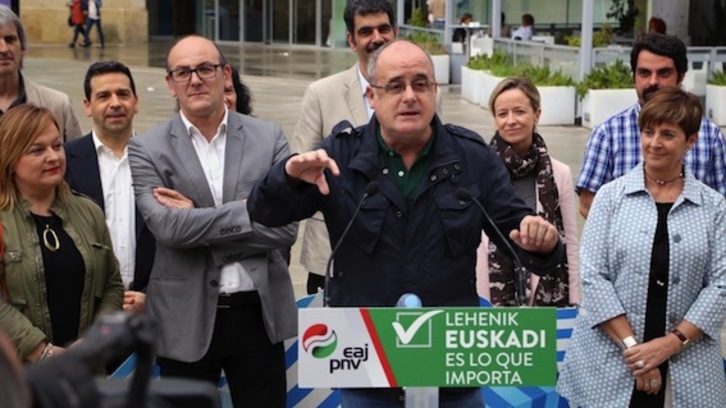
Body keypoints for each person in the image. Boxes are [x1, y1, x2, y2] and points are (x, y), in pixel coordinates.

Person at [248, 39, 563, 407]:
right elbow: (265, 213)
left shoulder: (472, 157)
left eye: (421, 84)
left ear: (435, 90)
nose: (410, 96)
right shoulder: (339, 155)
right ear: (373, 95)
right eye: (395, 85)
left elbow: (518, 232)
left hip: (452, 366)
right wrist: (286, 177)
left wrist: (542, 241)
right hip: (365, 365)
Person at [127, 35, 297, 407]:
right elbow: (168, 229)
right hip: (182, 318)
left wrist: (196, 219)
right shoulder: (147, 148)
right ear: (170, 83)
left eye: (205, 69)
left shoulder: (268, 137)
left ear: (225, 75)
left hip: (258, 316)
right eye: (183, 72)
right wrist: (249, 211)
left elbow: (285, 227)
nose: (195, 79)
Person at [557, 87, 726, 407]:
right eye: (648, 131)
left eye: (667, 134)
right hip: (609, 363)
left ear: (690, 141)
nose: (654, 142)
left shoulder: (713, 207)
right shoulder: (609, 197)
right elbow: (592, 276)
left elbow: (721, 285)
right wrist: (636, 352)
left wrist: (669, 345)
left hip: (688, 366)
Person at [0, 104, 123, 363]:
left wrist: (95, 340)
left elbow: (112, 284)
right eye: (37, 150)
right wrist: (43, 352)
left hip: (83, 373)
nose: (54, 157)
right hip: (17, 378)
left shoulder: (88, 211)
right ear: (10, 160)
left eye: (57, 146)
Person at [290, 0, 398, 295]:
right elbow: (299, 172)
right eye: (366, 31)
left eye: (384, 28)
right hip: (334, 257)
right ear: (351, 40)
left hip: (403, 257)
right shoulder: (321, 94)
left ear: (395, 32)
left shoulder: (421, 93)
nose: (377, 38)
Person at [576, 33, 726, 218]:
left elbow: (722, 203)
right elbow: (587, 204)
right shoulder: (607, 134)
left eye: (664, 73)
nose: (653, 82)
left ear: (681, 76)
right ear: (634, 77)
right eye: (644, 73)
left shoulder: (709, 136)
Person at [475, 77, 580, 307]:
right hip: (489, 298)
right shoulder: (479, 171)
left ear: (537, 114)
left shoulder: (559, 173)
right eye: (502, 114)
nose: (510, 121)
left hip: (546, 297)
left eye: (519, 112)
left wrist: (575, 300)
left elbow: (569, 240)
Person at [64, 61, 152, 316]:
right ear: (88, 106)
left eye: (123, 94)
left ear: (136, 101)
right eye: (103, 96)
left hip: (150, 311)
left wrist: (153, 296)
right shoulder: (64, 161)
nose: (115, 103)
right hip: (84, 311)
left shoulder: (160, 157)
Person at [0, 6, 83, 141]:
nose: (3, 49)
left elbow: (77, 159)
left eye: (10, 40)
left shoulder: (57, 105)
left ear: (22, 47)